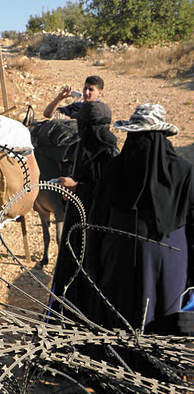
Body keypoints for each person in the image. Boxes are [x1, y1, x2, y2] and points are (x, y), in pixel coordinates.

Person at [87, 104, 194, 335]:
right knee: (164, 317)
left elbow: (96, 221)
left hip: (118, 255)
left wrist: (93, 264)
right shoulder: (183, 171)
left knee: (120, 315)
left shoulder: (114, 169)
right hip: (170, 257)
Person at [48, 101, 119, 319]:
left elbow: (109, 194)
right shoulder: (83, 147)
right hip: (75, 219)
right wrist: (69, 189)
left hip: (96, 226)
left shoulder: (110, 154)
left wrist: (78, 187)